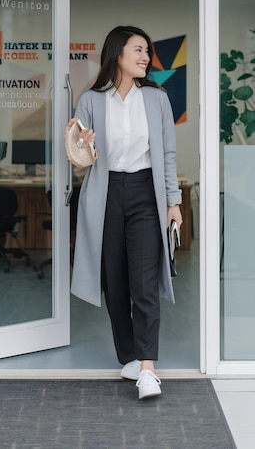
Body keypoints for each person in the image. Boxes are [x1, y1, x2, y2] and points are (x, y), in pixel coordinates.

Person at [66, 25, 182, 400]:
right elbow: (79, 159)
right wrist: (80, 143)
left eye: (147, 51)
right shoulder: (91, 100)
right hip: (106, 193)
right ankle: (129, 355)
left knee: (144, 283)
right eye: (138, 50)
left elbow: (166, 155)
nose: (146, 57)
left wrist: (173, 201)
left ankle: (148, 368)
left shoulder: (157, 98)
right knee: (114, 283)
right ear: (117, 53)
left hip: (145, 192)